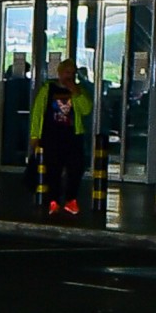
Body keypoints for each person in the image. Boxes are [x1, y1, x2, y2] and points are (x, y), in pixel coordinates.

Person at [30, 59, 92, 217]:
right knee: (53, 170)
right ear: (59, 73)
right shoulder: (47, 89)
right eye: (66, 73)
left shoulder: (79, 90)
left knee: (76, 168)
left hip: (73, 136)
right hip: (52, 136)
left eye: (72, 73)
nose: (69, 76)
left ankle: (71, 200)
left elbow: (86, 110)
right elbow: (38, 113)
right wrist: (35, 135)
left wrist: (76, 93)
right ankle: (54, 201)